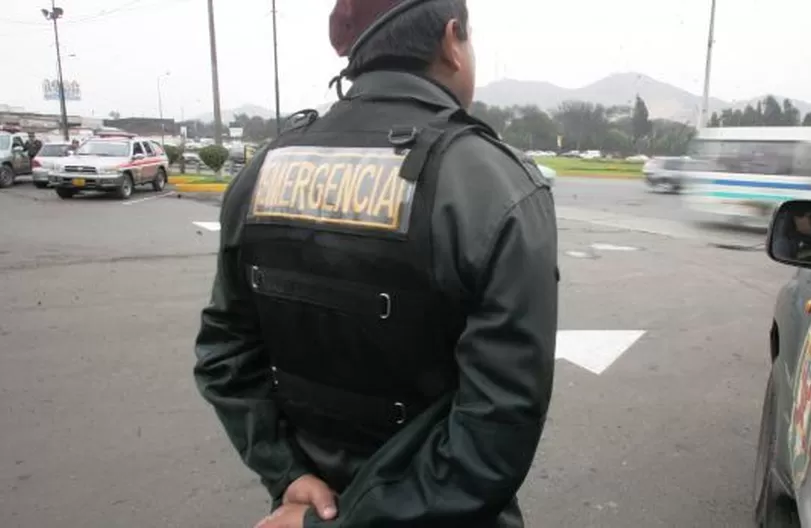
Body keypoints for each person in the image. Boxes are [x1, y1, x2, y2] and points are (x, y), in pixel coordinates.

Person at [193, 1, 559, 527]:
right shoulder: (493, 183)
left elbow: (224, 353)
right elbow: (497, 431)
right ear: (452, 42)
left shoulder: (263, 171)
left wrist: (286, 473)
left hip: (307, 502)